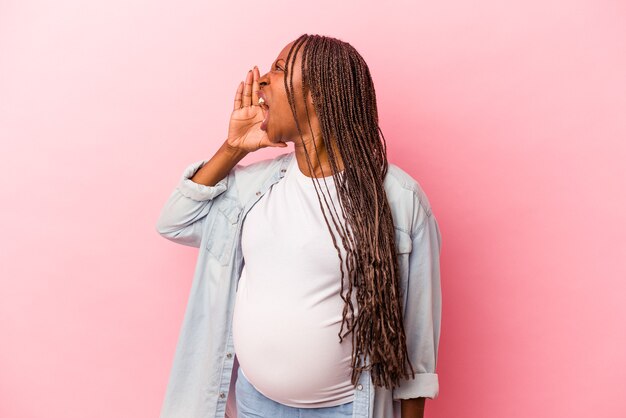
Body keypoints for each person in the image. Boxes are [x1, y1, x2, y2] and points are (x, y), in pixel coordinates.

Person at [155, 33, 442, 418]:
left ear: (318, 94)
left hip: (345, 410)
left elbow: (416, 344)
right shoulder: (254, 186)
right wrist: (234, 148)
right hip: (255, 403)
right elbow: (175, 223)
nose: (260, 82)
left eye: (277, 69)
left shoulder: (398, 199)